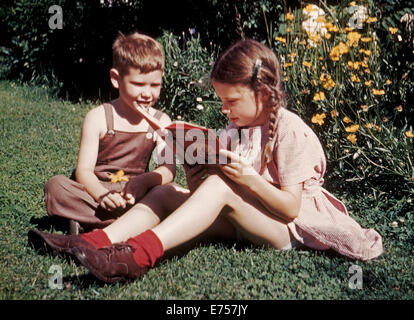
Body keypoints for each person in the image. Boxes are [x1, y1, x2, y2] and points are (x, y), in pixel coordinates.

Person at [29, 39, 383, 283]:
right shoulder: (237, 128)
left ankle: (137, 256)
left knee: (220, 185)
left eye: (231, 101)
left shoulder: (291, 131)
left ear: (261, 94)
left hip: (287, 231)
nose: (226, 111)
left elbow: (290, 209)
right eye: (222, 103)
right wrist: (195, 162)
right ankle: (95, 242)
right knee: (167, 194)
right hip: (247, 217)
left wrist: (246, 179)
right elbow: (208, 197)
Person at [40, 31, 176, 234]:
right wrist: (102, 195)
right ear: (116, 79)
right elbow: (83, 172)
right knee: (56, 186)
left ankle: (93, 223)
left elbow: (168, 170)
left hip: (136, 194)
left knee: (169, 192)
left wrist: (144, 181)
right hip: (95, 192)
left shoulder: (161, 121)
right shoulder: (99, 117)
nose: (147, 93)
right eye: (138, 84)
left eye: (155, 85)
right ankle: (131, 224)